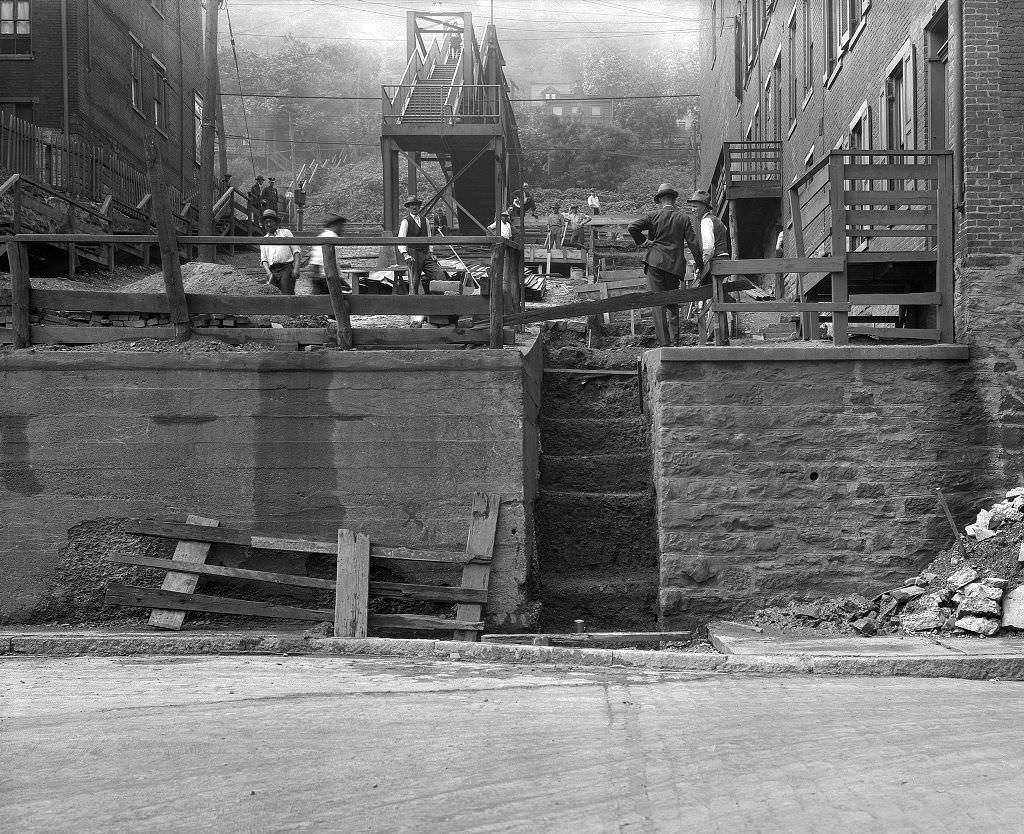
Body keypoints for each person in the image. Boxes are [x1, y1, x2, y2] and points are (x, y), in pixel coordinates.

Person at [627, 182, 703, 347]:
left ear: (660, 199)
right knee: (672, 302)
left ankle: (664, 344)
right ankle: (675, 341)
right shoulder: (683, 218)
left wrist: (644, 241)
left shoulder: (652, 216)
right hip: (674, 266)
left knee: (658, 303)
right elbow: (694, 244)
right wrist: (701, 265)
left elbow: (632, 227)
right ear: (674, 199)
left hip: (655, 262)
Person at [397, 195, 446, 296]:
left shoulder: (425, 221)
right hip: (413, 254)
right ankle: (413, 306)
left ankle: (441, 302)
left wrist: (431, 252)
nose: (414, 207)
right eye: (411, 205)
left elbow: (429, 237)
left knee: (440, 275)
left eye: (416, 205)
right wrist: (405, 254)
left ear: (419, 206)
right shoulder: (406, 221)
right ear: (408, 207)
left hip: (425, 254)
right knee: (414, 282)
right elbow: (401, 239)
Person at [301, 211, 349, 295]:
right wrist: (339, 279)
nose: (342, 229)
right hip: (325, 277)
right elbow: (325, 260)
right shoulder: (331, 237)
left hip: (321, 275)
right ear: (334, 225)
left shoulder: (322, 236)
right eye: (341, 226)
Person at [259, 209, 300, 295]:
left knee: (287, 293)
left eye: (271, 222)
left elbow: (296, 251)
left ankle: (290, 308)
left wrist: (296, 268)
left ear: (276, 223)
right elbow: (264, 260)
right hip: (272, 270)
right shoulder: (264, 240)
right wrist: (268, 272)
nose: (268, 224)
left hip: (286, 268)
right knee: (273, 295)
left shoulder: (286, 233)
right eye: (266, 222)